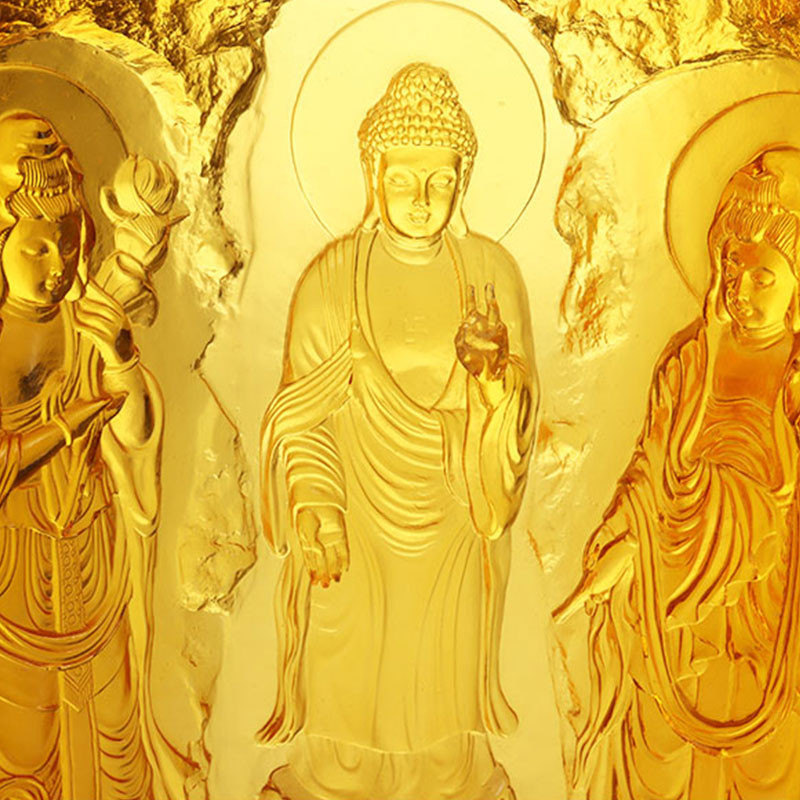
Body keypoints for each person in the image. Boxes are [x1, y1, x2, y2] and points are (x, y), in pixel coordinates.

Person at [258, 63, 538, 800]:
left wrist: (491, 376)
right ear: (373, 174)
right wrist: (319, 505)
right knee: (346, 687)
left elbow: (520, 408)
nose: (420, 200)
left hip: (454, 517)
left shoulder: (489, 273)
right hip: (355, 520)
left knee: (440, 703)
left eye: (439, 182)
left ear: (462, 181)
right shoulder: (332, 278)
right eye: (404, 179)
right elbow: (302, 415)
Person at [555, 147, 800, 799]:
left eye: (765, 277)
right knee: (664, 762)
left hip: (769, 614)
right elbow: (650, 472)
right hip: (673, 605)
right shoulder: (691, 363)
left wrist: (749, 513)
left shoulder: (794, 376)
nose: (742, 291)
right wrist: (625, 547)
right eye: (733, 267)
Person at [0, 110, 164, 800]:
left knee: (112, 743)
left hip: (95, 560)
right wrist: (63, 429)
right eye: (37, 250)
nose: (58, 266)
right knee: (24, 753)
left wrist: (121, 358)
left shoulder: (85, 318)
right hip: (13, 575)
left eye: (68, 246)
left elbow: (135, 435)